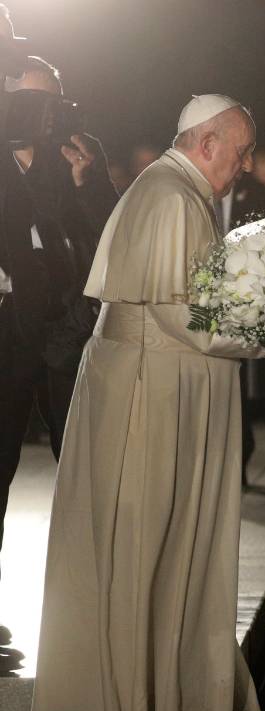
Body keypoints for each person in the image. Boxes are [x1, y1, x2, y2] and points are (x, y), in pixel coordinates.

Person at [30, 94, 265, 711]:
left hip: (167, 389)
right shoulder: (172, 197)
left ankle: (196, 702)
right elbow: (191, 320)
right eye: (240, 151)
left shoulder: (180, 190)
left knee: (182, 549)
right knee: (152, 547)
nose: (247, 164)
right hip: (149, 395)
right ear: (206, 143)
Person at [0, 55, 117, 574]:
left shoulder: (68, 163)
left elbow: (113, 234)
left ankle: (100, 590)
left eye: (52, 102)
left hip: (65, 330)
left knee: (87, 461)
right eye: (29, 102)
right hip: (5, 331)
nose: (43, 115)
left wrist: (89, 182)